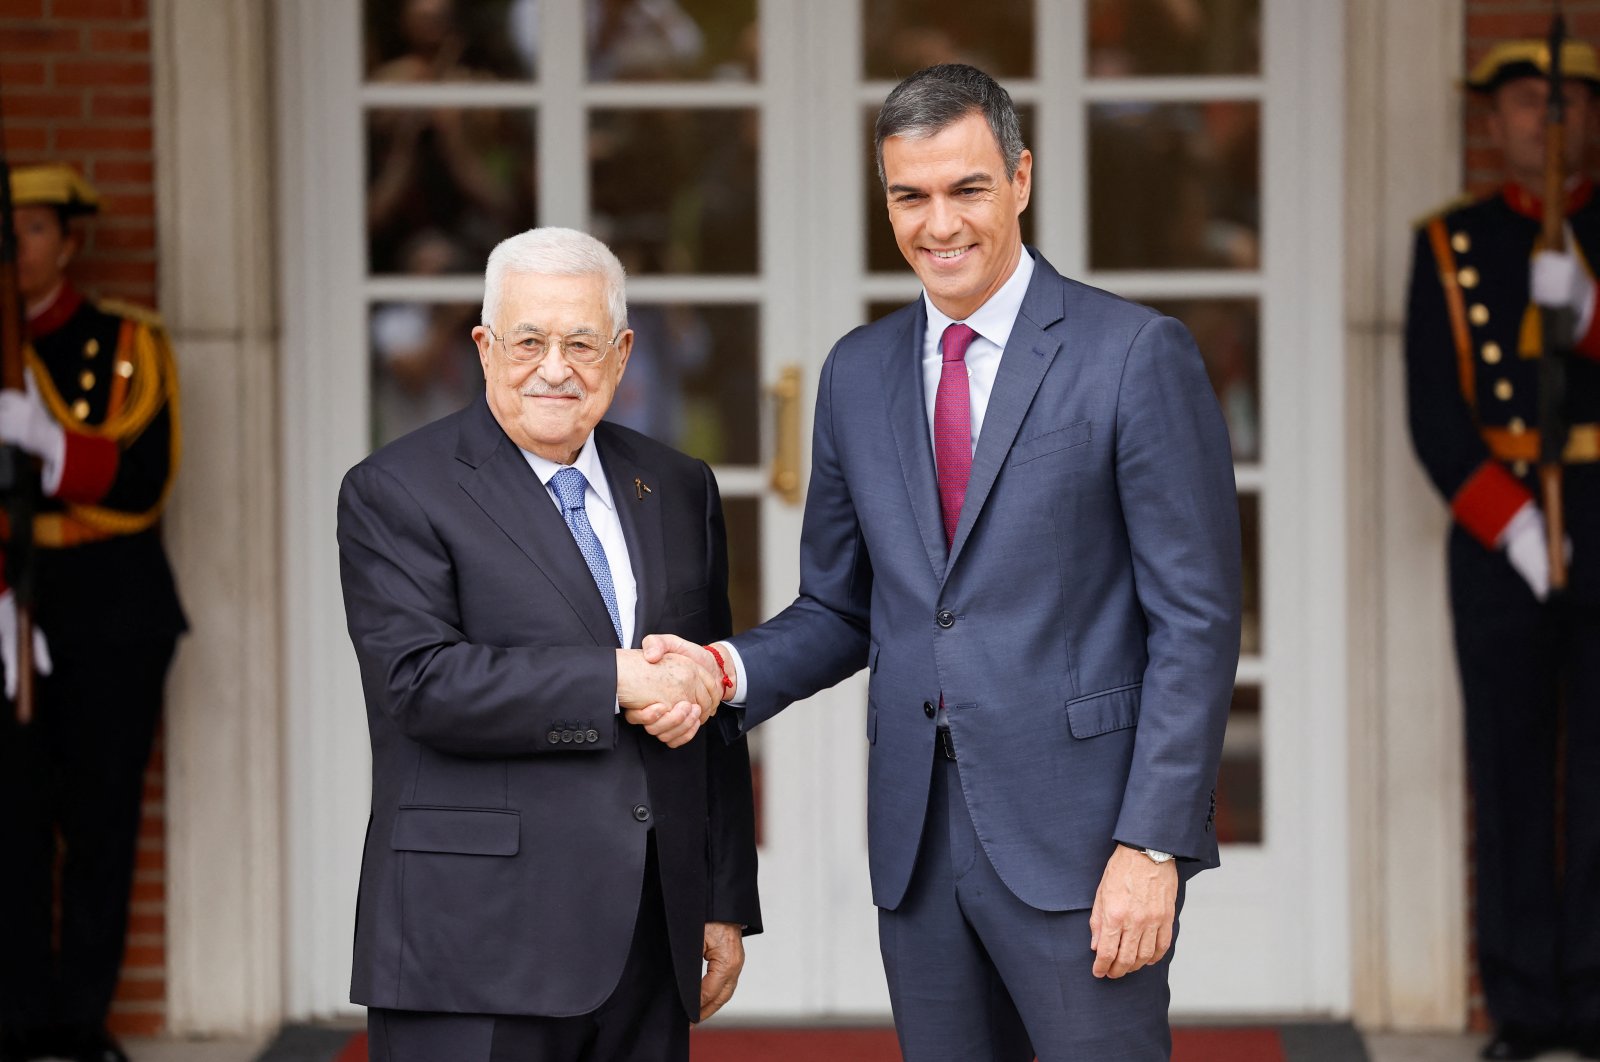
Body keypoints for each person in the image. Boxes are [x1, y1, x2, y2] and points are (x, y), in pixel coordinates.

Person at [640, 64, 1240, 1061]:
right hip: (917, 849)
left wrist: (1153, 843)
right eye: (908, 196)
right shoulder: (857, 371)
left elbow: (1196, 621)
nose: (938, 224)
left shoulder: (1134, 354)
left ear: (1020, 178)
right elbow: (839, 607)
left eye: (966, 189)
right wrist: (719, 672)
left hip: (1086, 842)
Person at [336, 226, 761, 1062]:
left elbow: (710, 705)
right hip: (473, 943)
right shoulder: (394, 491)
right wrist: (614, 681)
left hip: (648, 932)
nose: (555, 367)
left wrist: (720, 898)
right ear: (485, 347)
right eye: (528, 340)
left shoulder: (677, 486)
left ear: (623, 350)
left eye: (581, 341)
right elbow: (420, 684)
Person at [1404, 38, 1600, 1062]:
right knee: (1509, 770)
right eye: (1524, 100)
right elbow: (1434, 412)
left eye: (1562, 99)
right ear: (1492, 122)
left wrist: (1591, 311)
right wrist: (1515, 525)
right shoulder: (1450, 243)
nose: (1542, 117)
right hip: (1501, 537)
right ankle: (1523, 1004)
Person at [0, 165, 186, 1062]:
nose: (16, 247)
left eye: (30, 229)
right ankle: (20, 1017)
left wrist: (49, 443)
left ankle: (79, 1025)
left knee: (101, 823)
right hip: (8, 602)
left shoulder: (122, 341)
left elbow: (144, 476)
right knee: (13, 825)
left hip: (107, 604)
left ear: (68, 242)